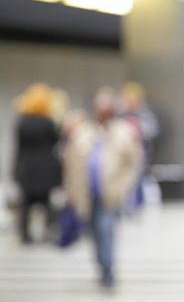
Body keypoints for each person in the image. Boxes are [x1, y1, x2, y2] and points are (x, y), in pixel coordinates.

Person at [63, 88, 142, 288]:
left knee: (106, 229)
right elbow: (70, 162)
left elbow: (133, 162)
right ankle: (100, 264)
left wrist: (123, 187)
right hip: (86, 192)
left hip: (110, 193)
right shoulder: (84, 132)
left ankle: (108, 270)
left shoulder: (123, 132)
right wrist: (70, 189)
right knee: (94, 232)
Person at [13, 84, 61, 244]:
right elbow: (56, 143)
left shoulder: (23, 123)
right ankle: (48, 231)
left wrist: (15, 170)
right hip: (46, 168)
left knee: (26, 202)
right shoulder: (49, 123)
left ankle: (25, 233)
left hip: (27, 167)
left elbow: (18, 148)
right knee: (47, 202)